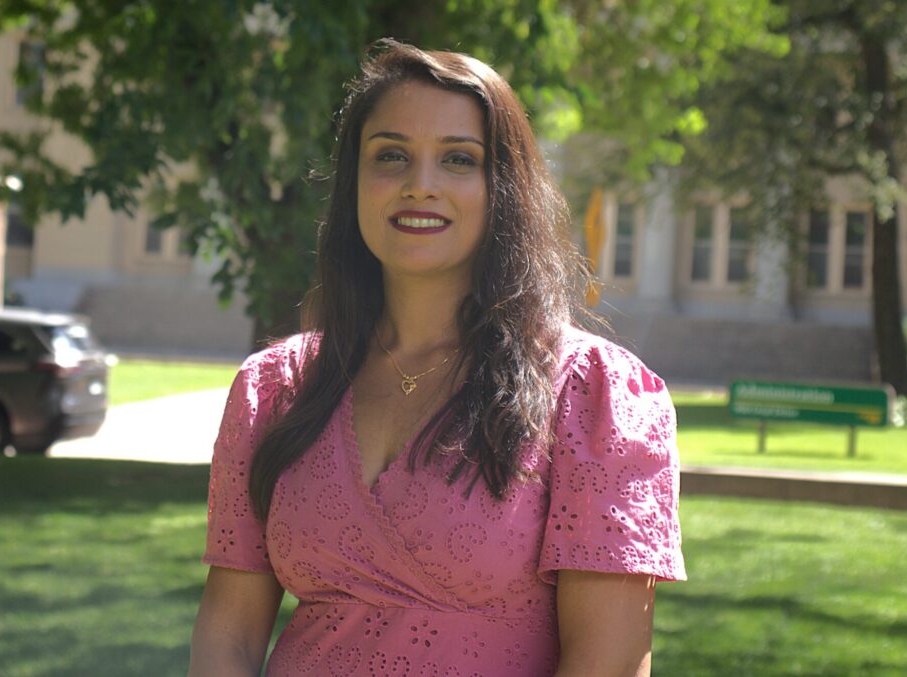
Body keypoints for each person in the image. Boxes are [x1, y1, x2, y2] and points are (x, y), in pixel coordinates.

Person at [189, 39, 685, 677]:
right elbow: (227, 634)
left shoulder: (592, 394)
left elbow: (609, 662)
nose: (419, 185)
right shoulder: (276, 387)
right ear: (354, 183)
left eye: (458, 159)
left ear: (503, 188)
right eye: (391, 155)